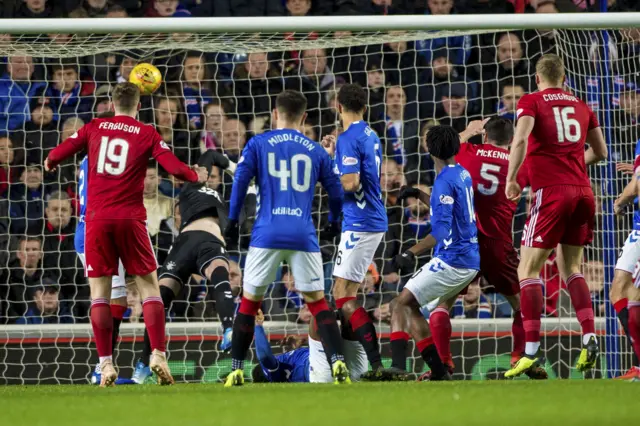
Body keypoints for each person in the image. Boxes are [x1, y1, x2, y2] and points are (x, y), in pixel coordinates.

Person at [45, 82, 208, 387]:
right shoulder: (146, 132)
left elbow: (62, 150)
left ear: (112, 103)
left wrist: (51, 160)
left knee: (100, 294)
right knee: (149, 288)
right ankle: (158, 354)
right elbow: (172, 166)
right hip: (131, 219)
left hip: (95, 220)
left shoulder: (93, 126)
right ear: (139, 105)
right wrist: (194, 175)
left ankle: (105, 364)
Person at [223, 90, 347, 387]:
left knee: (249, 303)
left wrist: (231, 221)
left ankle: (237, 370)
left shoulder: (258, 143)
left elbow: (240, 181)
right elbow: (337, 191)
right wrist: (333, 222)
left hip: (266, 232)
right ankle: (338, 362)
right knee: (318, 303)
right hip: (303, 235)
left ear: (275, 113)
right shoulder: (316, 150)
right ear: (304, 117)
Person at [504, 54, 607, 378]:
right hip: (584, 193)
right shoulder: (581, 104)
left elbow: (520, 139)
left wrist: (512, 178)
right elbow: (601, 152)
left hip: (551, 193)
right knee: (571, 267)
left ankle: (531, 351)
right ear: (563, 77)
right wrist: (573, 164)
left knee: (527, 269)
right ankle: (589, 336)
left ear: (537, 78)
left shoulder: (532, 101)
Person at [130, 149, 237, 384]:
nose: (201, 171)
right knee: (163, 296)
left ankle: (142, 365)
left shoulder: (222, 197)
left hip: (187, 245)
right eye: (196, 169)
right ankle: (229, 328)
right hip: (202, 240)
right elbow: (210, 155)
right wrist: (237, 170)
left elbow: (212, 157)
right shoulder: (191, 187)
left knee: (163, 295)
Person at [385, 125, 479, 381]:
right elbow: (446, 206)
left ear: (429, 149)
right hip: (469, 259)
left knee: (400, 303)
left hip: (453, 260)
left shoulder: (444, 181)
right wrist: (418, 193)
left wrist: (410, 252)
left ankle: (398, 366)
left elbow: (439, 232)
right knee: (411, 305)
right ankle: (439, 372)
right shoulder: (461, 173)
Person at [321, 83, 388, 379]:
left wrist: (327, 167)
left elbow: (350, 183)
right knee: (345, 293)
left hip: (360, 222)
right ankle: (362, 364)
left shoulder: (348, 137)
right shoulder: (370, 134)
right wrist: (336, 155)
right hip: (368, 219)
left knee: (341, 295)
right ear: (365, 107)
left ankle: (375, 364)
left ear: (338, 106)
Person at [75, 151, 133, 386]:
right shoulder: (104, 155)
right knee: (106, 297)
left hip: (93, 229)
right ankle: (101, 367)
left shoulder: (89, 158)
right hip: (97, 231)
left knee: (117, 299)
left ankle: (105, 365)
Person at [251, 310, 367, 384]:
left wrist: (300, 345)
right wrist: (257, 325)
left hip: (348, 374)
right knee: (318, 313)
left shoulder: (286, 366)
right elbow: (265, 357)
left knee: (351, 317)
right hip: (323, 373)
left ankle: (337, 313)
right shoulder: (272, 374)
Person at [611, 141, 640, 380]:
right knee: (619, 290)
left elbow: (637, 186)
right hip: (637, 230)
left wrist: (620, 201)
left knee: (632, 294)